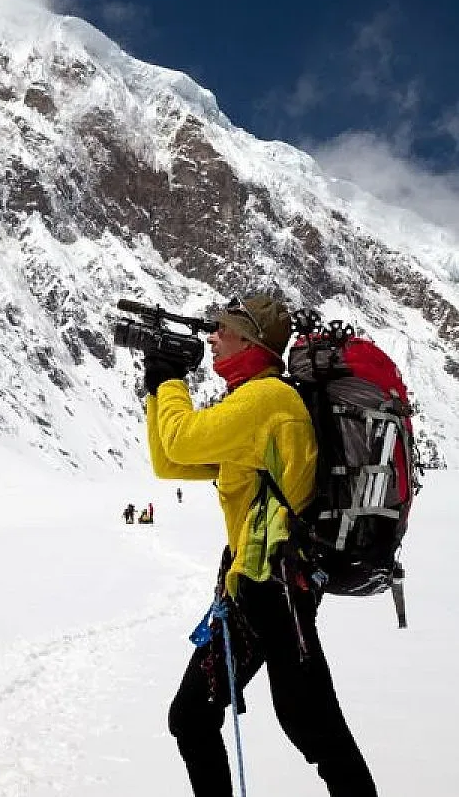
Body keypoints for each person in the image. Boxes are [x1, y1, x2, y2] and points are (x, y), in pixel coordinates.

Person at [143, 294, 378, 797]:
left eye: (221, 331)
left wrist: (169, 381)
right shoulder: (251, 402)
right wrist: (156, 390)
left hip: (277, 594)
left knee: (313, 729)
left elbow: (181, 441)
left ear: (249, 341)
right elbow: (172, 464)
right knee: (195, 718)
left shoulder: (265, 400)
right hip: (252, 592)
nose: (211, 338)